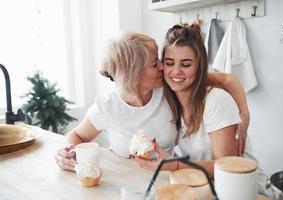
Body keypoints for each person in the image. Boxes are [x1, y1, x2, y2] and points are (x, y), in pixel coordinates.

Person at [55, 31, 249, 172]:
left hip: (173, 177)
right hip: (129, 180)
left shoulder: (170, 86)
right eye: (155, 63)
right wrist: (67, 154)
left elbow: (225, 80)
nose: (164, 67)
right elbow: (77, 136)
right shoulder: (106, 107)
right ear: (134, 74)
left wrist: (244, 114)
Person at [133, 24, 267, 195]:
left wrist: (176, 164)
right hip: (206, 188)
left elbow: (225, 165)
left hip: (244, 191)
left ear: (199, 66)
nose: (176, 71)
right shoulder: (172, 100)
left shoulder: (216, 102)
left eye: (186, 64)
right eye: (169, 63)